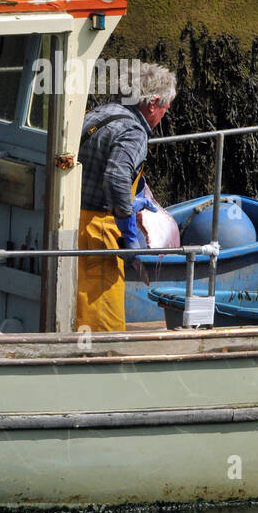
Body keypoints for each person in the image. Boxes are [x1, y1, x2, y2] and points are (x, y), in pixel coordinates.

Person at [76, 62, 177, 333]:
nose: (163, 115)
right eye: (165, 108)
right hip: (99, 230)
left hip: (73, 223)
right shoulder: (134, 132)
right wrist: (128, 229)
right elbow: (117, 176)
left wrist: (135, 199)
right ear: (154, 103)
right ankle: (101, 362)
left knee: (77, 305)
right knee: (103, 319)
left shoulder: (99, 114)